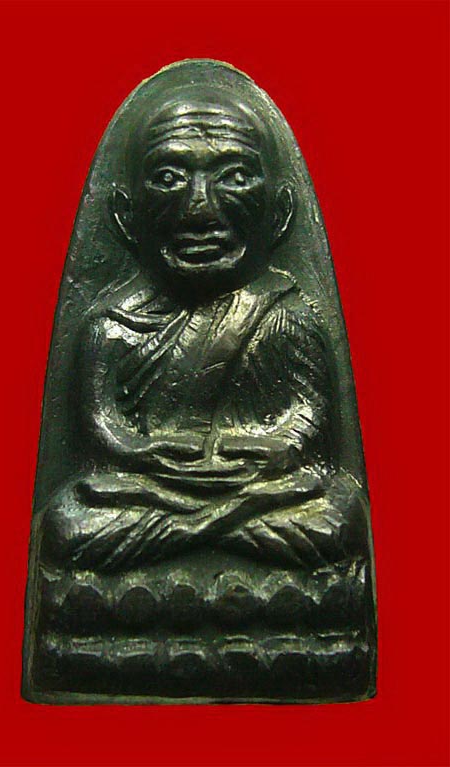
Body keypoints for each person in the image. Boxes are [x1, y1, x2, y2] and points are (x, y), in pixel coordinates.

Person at [40, 85, 368, 574]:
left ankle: (193, 533)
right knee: (69, 520)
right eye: (169, 179)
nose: (200, 210)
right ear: (126, 216)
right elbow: (102, 431)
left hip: (254, 486)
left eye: (234, 177)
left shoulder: (286, 314)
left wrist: (271, 450)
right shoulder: (112, 327)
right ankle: (211, 531)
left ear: (279, 213)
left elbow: (307, 419)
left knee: (338, 516)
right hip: (151, 488)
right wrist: (143, 451)